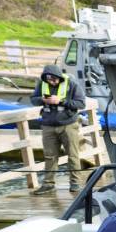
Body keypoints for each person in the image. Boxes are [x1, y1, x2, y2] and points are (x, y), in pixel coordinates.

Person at [30, 64, 86, 195]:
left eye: (54, 79)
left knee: (72, 155)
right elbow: (33, 100)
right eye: (49, 79)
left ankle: (75, 183)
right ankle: (48, 184)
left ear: (59, 77)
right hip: (48, 125)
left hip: (68, 125)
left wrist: (60, 101)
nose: (51, 82)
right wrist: (43, 100)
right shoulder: (41, 84)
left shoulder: (72, 84)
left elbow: (81, 103)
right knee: (49, 156)